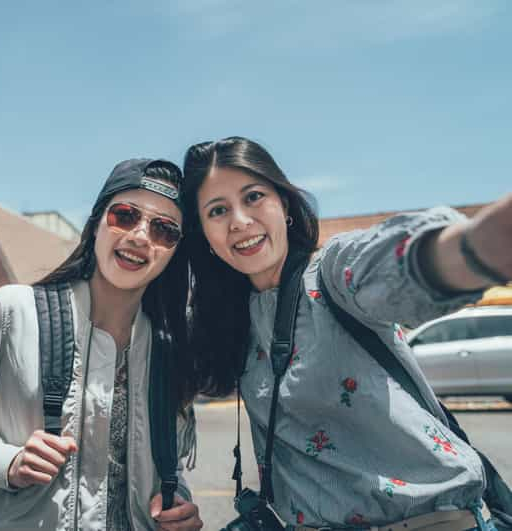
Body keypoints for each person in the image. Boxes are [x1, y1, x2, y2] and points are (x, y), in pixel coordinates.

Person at [179, 136, 511, 531]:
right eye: (218, 210)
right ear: (206, 237)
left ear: (283, 204)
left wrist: (476, 246)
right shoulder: (226, 321)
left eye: (253, 197)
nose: (239, 220)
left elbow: (403, 263)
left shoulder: (332, 276)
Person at [0, 158, 203, 531]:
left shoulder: (169, 347)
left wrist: (179, 504)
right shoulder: (15, 312)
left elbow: (160, 466)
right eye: (125, 215)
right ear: (95, 225)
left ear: (174, 251)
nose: (141, 236)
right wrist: (5, 462)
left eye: (164, 230)